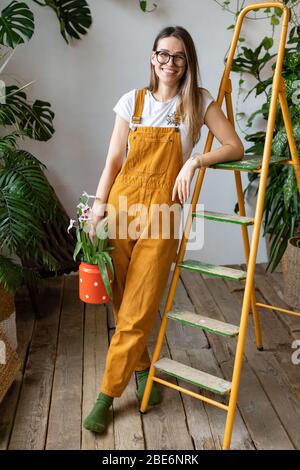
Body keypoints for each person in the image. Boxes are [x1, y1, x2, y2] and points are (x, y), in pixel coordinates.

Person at [83, 25, 244, 434]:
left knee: (138, 307)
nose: (169, 63)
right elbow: (113, 160)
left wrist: (194, 161)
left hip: (162, 217)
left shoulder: (198, 102)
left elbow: (234, 145)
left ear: (187, 61)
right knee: (123, 299)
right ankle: (142, 374)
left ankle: (106, 394)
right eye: (163, 54)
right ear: (152, 57)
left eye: (178, 56)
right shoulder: (131, 102)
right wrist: (97, 209)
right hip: (119, 209)